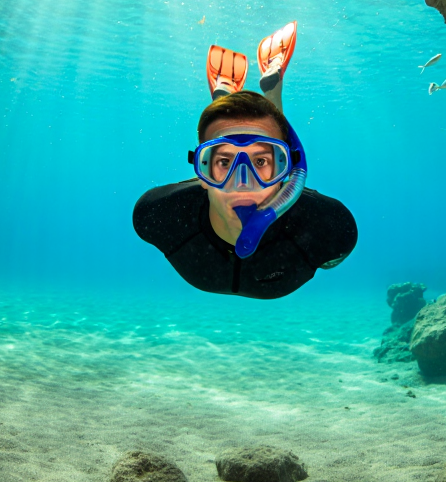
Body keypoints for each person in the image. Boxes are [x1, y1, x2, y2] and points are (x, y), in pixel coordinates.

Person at [133, 22, 357, 299]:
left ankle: (242, 99)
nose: (243, 184)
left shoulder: (329, 229)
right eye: (225, 164)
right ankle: (236, 108)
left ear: (288, 171)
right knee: (243, 140)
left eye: (260, 163)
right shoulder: (157, 214)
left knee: (246, 138)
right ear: (201, 174)